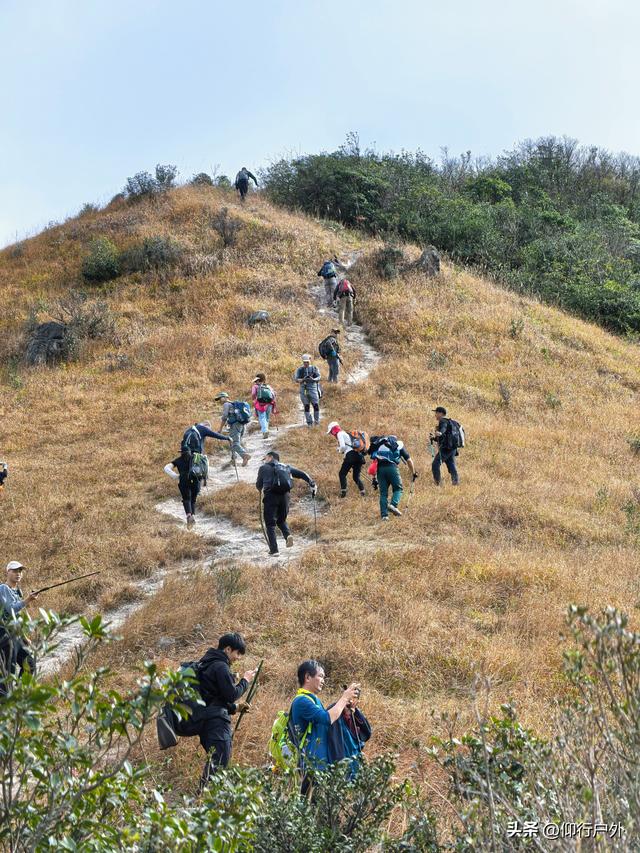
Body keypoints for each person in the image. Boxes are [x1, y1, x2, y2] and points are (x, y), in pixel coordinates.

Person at [158, 632, 256, 789]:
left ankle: (205, 798)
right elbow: (231, 695)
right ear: (228, 649)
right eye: (237, 653)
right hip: (215, 724)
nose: (238, 658)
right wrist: (245, 681)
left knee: (216, 761)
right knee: (220, 761)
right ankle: (205, 800)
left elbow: (211, 697)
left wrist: (235, 708)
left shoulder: (205, 663)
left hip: (205, 721)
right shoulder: (220, 666)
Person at [290, 660, 360, 789]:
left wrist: (345, 710)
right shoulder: (301, 701)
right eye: (320, 676)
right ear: (307, 677)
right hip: (310, 766)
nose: (323, 680)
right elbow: (327, 718)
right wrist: (344, 698)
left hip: (320, 765)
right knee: (309, 805)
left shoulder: (313, 700)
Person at [255, 451, 316, 556]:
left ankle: (274, 550)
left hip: (270, 496)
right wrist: (312, 483)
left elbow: (259, 484)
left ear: (270, 457)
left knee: (270, 524)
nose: (264, 460)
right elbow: (302, 474)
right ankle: (288, 536)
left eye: (265, 458)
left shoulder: (263, 468)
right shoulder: (286, 467)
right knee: (281, 520)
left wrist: (259, 488)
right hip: (285, 496)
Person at [0, 561, 38, 691]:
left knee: (30, 664)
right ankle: (6, 704)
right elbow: (11, 610)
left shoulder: (17, 591)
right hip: (4, 635)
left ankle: (19, 696)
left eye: (20, 571)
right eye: (15, 571)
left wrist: (23, 637)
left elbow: (16, 618)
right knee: (8, 673)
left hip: (15, 635)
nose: (18, 574)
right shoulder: (3, 589)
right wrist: (28, 600)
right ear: (8, 572)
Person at [327, 685, 372, 777]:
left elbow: (367, 733)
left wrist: (355, 713)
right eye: (349, 697)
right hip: (338, 759)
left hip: (353, 759)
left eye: (354, 698)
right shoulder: (334, 710)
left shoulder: (355, 713)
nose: (351, 701)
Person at [369, 435, 416, 520]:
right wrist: (413, 472)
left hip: (380, 469)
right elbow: (408, 460)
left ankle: (384, 516)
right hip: (392, 468)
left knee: (383, 493)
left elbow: (374, 463)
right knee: (398, 489)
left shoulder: (380, 446)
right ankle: (393, 505)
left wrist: (374, 478)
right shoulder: (398, 445)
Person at [326, 421, 366, 498]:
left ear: (333, 430)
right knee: (356, 477)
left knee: (342, 474)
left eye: (331, 432)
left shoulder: (339, 434)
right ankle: (362, 491)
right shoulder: (345, 433)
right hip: (359, 456)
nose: (331, 434)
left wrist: (339, 450)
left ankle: (343, 493)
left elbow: (343, 447)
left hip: (351, 456)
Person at [164, 451, 202, 528]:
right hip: (195, 480)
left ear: (181, 452)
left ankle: (189, 516)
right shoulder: (194, 458)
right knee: (193, 499)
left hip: (183, 480)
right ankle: (192, 516)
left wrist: (175, 476)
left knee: (186, 499)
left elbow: (166, 468)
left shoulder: (178, 460)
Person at [215, 393, 252, 466]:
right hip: (241, 425)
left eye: (220, 398)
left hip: (235, 425)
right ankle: (233, 459)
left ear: (225, 397)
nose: (219, 400)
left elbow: (224, 417)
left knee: (234, 443)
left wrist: (220, 428)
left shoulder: (226, 404)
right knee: (237, 442)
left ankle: (244, 456)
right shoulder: (234, 404)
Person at [430, 406, 461, 486]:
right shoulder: (450, 422)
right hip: (452, 448)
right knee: (451, 464)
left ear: (441, 413)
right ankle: (456, 483)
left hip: (446, 449)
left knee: (435, 464)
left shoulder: (443, 421)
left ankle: (438, 483)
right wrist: (434, 438)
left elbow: (443, 429)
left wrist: (440, 433)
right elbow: (444, 437)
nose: (435, 415)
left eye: (436, 413)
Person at [294, 355, 322, 426]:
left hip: (313, 389)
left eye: (307, 362)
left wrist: (313, 379)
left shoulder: (314, 368)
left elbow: (319, 376)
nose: (306, 363)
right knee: (306, 406)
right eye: (304, 362)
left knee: (316, 405)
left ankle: (316, 421)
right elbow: (296, 379)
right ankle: (309, 422)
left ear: (310, 361)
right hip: (303, 389)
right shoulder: (300, 369)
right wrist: (302, 380)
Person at [251, 373, 277, 438]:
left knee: (262, 417)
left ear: (257, 380)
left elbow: (253, 394)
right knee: (267, 418)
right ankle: (266, 430)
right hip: (269, 403)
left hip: (260, 404)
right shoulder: (268, 386)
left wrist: (254, 400)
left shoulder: (255, 386)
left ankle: (265, 431)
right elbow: (274, 394)